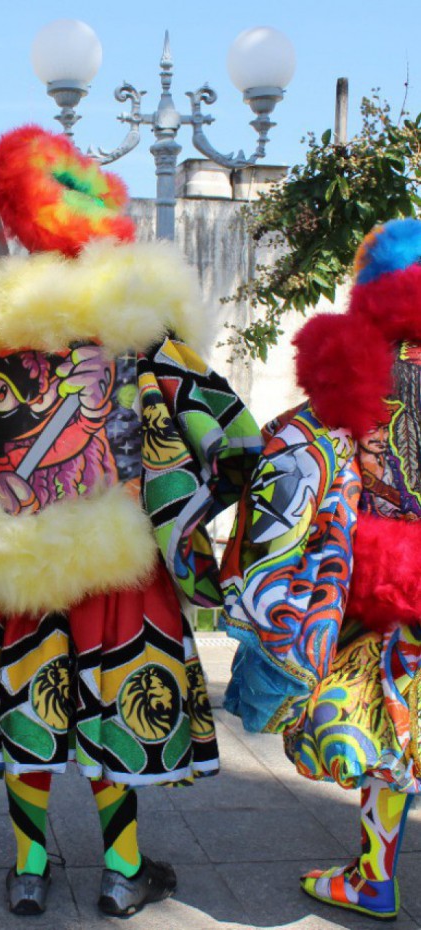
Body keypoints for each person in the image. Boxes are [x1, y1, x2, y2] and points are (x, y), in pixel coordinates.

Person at [0, 125, 262, 918]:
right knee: (106, 716)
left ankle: (28, 869)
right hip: (109, 561)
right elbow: (233, 438)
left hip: (1, 560)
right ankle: (122, 871)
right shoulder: (138, 328)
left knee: (29, 710)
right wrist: (184, 516)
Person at [221, 218, 421, 920]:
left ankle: (374, 874)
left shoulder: (361, 366)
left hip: (384, 580)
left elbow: (291, 453)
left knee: (385, 727)